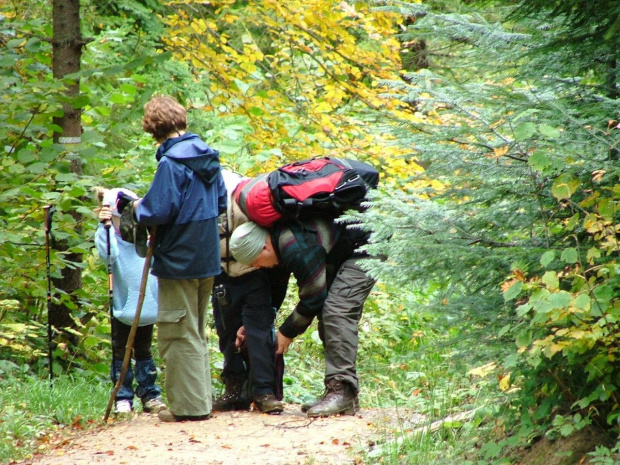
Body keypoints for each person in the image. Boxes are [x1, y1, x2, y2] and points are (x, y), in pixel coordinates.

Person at [123, 95, 227, 422]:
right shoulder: (208, 157)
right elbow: (222, 202)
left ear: (153, 128)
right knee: (193, 329)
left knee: (178, 332)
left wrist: (135, 206)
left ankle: (189, 408)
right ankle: (200, 403)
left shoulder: (171, 163)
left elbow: (158, 210)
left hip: (179, 258)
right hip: (207, 256)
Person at [229, 218, 376, 417]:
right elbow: (277, 294)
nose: (257, 267)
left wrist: (287, 332)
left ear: (264, 247)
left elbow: (314, 297)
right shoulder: (279, 245)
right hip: (344, 250)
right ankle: (340, 393)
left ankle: (343, 392)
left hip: (367, 245)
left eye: (255, 261)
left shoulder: (295, 248)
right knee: (330, 313)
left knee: (336, 311)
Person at [211, 169, 289, 415]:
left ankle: (264, 392)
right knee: (226, 332)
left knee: (258, 333)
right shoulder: (198, 203)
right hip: (221, 274)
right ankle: (236, 390)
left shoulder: (248, 202)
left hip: (255, 273)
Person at [94, 187, 166, 416]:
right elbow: (108, 255)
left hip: (146, 304)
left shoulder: (145, 238)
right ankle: (122, 396)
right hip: (123, 304)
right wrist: (103, 227)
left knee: (144, 349)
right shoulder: (111, 238)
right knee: (120, 348)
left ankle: (150, 394)